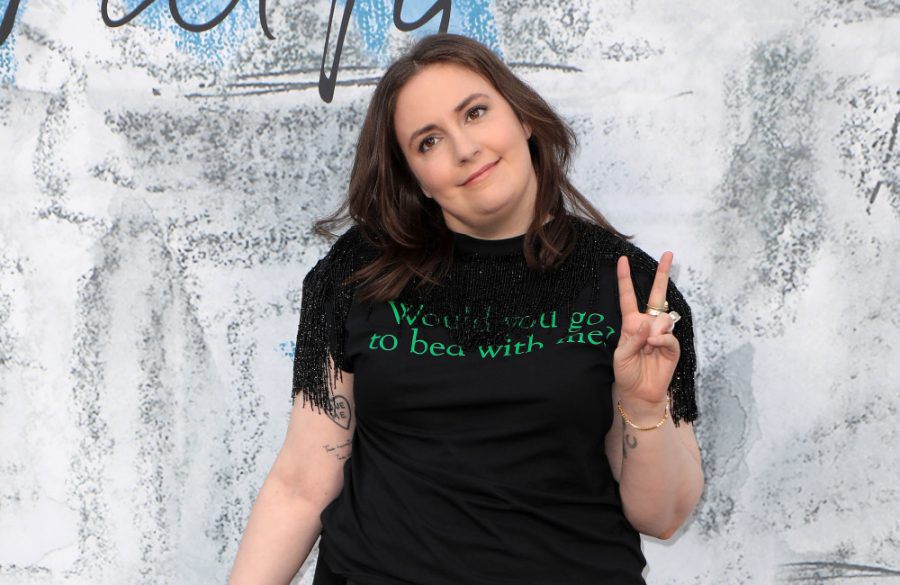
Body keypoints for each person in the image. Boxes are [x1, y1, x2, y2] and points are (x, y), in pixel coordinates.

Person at [228, 32, 703, 585]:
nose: (463, 148)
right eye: (428, 142)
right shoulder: (356, 272)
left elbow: (662, 517)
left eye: (475, 113)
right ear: (416, 180)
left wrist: (644, 407)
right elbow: (302, 482)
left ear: (523, 118)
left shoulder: (635, 289)